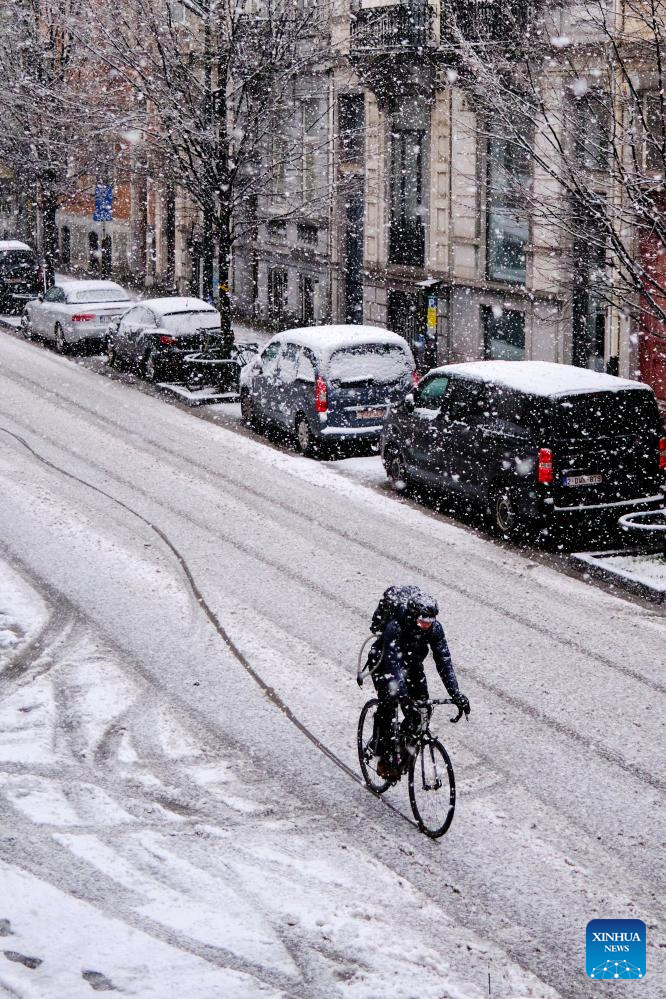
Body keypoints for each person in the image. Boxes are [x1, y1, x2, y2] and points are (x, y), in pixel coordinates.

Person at [363, 586, 470, 782]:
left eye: (430, 621)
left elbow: (443, 660)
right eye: (422, 622)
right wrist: (402, 695)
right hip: (384, 663)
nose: (426, 625)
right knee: (390, 705)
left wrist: (456, 693)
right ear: (413, 616)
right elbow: (393, 663)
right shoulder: (395, 626)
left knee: (422, 711)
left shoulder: (434, 629)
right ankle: (382, 755)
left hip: (412, 665)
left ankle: (404, 752)